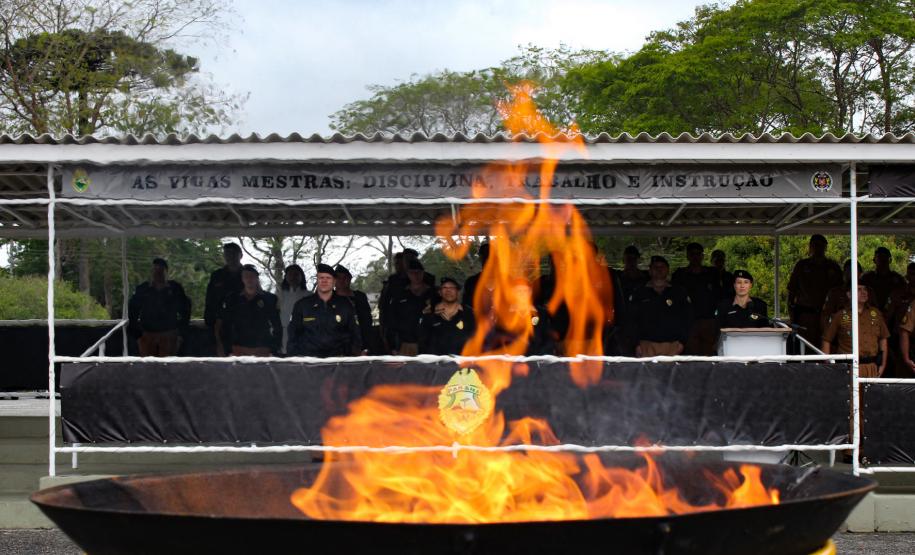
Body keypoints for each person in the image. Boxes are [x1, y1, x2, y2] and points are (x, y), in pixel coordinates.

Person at [287, 264, 362, 357]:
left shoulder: (345, 304)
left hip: (339, 360)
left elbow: (354, 332)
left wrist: (354, 354)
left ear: (334, 281)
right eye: (321, 278)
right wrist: (294, 358)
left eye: (328, 278)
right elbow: (293, 334)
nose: (324, 281)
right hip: (309, 360)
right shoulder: (302, 305)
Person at [787, 234, 843, 348]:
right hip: (806, 316)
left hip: (828, 316)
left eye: (821, 245)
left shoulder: (833, 267)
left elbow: (841, 292)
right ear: (810, 247)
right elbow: (791, 292)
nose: (818, 248)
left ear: (825, 247)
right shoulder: (802, 266)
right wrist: (792, 315)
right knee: (805, 347)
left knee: (827, 345)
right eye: (815, 245)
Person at [630, 256, 692, 357]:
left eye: (662, 267)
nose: (659, 270)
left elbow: (688, 318)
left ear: (668, 270)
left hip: (673, 344)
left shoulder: (679, 292)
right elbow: (632, 320)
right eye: (655, 267)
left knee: (672, 373)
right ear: (649, 271)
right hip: (646, 344)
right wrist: (636, 344)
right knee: (647, 373)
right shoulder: (639, 292)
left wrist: (682, 342)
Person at [127, 258, 190, 356]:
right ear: (152, 272)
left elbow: (186, 309)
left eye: (161, 271)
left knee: (168, 367)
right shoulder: (143, 289)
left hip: (169, 334)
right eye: (155, 270)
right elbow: (132, 309)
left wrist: (180, 333)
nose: (158, 273)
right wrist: (137, 335)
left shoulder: (175, 289)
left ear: (166, 272)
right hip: (147, 334)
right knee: (148, 366)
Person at [822, 285, 889, 378]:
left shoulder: (876, 314)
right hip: (848, 368)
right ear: (849, 294)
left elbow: (883, 339)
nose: (864, 292)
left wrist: (882, 365)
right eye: (858, 289)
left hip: (871, 367)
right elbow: (826, 340)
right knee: (850, 392)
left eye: (865, 289)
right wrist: (829, 365)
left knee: (870, 392)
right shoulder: (840, 315)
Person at [217, 264, 282, 357]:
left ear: (257, 278)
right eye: (246, 276)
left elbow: (277, 325)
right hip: (238, 348)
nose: (249, 279)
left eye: (252, 276)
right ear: (242, 279)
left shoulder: (270, 299)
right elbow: (226, 325)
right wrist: (228, 348)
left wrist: (273, 349)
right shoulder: (232, 299)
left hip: (263, 348)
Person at [483, 278, 555, 355]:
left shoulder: (542, 313)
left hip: (537, 360)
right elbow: (495, 340)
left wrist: (538, 360)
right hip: (510, 361)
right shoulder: (503, 315)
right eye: (518, 291)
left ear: (530, 292)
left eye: (525, 291)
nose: (522, 294)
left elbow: (548, 340)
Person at [672, 242, 720, 355]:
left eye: (698, 254)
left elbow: (719, 296)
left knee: (709, 356)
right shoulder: (680, 275)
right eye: (692, 254)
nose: (695, 257)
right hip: (688, 322)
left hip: (708, 320)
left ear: (702, 256)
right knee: (691, 356)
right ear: (688, 256)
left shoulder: (712, 274)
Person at [385, 259, 436, 355]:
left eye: (419, 272)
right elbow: (392, 322)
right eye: (412, 272)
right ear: (408, 274)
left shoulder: (434, 294)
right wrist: (392, 346)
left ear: (423, 273)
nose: (416, 275)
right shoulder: (400, 295)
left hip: (429, 344)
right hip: (406, 344)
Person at [419, 277, 476, 355]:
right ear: (440, 292)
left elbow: (475, 339)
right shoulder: (429, 313)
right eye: (444, 288)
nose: (448, 290)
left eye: (452, 288)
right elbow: (422, 340)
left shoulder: (469, 313)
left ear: (458, 292)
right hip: (435, 363)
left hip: (461, 362)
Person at [205, 242, 244, 350]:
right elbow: (210, 299)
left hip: (243, 322)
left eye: (233, 253)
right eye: (227, 253)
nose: (230, 256)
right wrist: (210, 321)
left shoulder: (247, 274)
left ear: (240, 255)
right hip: (221, 323)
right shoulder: (217, 275)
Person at [334, 264, 373, 355]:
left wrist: (366, 344)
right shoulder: (329, 298)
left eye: (345, 278)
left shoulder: (360, 296)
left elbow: (367, 321)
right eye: (338, 278)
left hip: (361, 343)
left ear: (350, 279)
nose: (342, 281)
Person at [861, 246, 906, 312]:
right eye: (880, 257)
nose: (882, 260)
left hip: (893, 316)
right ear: (874, 260)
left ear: (890, 260)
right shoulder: (867, 278)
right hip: (870, 313)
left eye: (885, 257)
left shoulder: (898, 279)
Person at [277, 264, 308, 355]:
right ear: (286, 277)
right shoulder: (279, 295)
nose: (293, 277)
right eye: (290, 275)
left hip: (303, 335)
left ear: (301, 277)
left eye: (296, 275)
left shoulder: (309, 295)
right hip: (283, 334)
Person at [462, 242, 490, 309]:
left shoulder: (507, 282)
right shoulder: (471, 282)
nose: (488, 260)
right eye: (485, 257)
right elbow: (466, 306)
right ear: (481, 259)